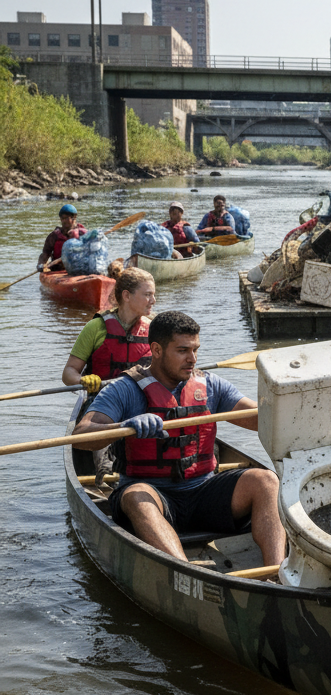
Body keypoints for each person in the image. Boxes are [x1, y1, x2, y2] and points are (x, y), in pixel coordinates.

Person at [72, 310, 285, 566]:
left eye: (195, 350)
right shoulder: (124, 389)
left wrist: (294, 406)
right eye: (182, 350)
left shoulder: (211, 385)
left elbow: (261, 419)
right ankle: (186, 572)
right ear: (156, 350)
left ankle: (276, 572)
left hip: (203, 492)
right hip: (152, 496)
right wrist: (123, 425)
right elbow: (80, 436)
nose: (192, 359)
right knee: (136, 496)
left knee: (265, 480)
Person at [62, 267, 156, 487]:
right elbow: (69, 373)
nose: (154, 300)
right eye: (148, 294)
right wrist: (83, 380)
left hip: (143, 397)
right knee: (100, 422)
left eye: (153, 294)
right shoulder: (96, 327)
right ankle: (106, 474)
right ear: (127, 295)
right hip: (103, 397)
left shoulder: (154, 329)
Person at [38, 203, 87, 271]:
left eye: (66, 218)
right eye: (62, 218)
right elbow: (45, 253)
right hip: (58, 269)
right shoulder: (54, 236)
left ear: (74, 218)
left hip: (77, 267)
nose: (64, 221)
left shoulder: (82, 234)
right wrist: (41, 264)